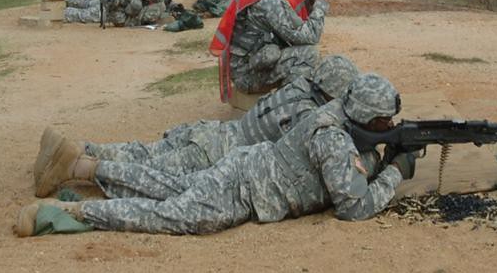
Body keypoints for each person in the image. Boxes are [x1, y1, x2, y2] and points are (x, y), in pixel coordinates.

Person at [16, 73, 417, 236]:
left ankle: (84, 165)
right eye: (384, 120)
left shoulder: (333, 113)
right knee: (171, 215)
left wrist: (381, 154)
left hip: (243, 166)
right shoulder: (333, 138)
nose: (388, 124)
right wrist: (395, 171)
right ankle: (69, 213)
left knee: (166, 184)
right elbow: (353, 207)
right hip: (244, 190)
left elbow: (352, 164)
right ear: (365, 115)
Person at [31, 55, 361, 195]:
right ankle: (74, 167)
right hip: (215, 153)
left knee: (144, 153)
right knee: (149, 174)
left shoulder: (298, 87)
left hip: (212, 133)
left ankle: (77, 148)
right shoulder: (309, 114)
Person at [209, 0, 330, 102]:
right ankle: (288, 107)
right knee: (308, 55)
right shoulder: (270, 0)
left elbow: (299, 19)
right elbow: (310, 35)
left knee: (302, 53)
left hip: (257, 61)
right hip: (246, 74)